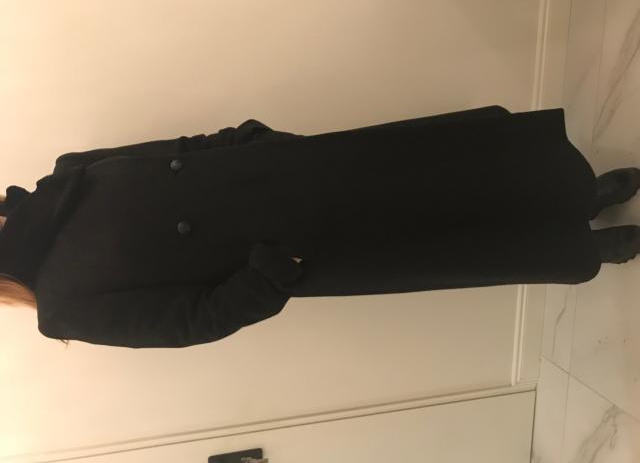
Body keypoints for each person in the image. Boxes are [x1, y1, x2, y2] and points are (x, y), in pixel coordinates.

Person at [1, 105, 639, 348]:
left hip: (299, 170)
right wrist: (272, 272)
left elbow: (181, 149)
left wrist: (249, 140)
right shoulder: (60, 307)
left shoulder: (65, 174)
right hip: (301, 248)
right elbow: (191, 321)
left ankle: (579, 193)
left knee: (447, 167)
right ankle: (581, 243)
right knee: (442, 238)